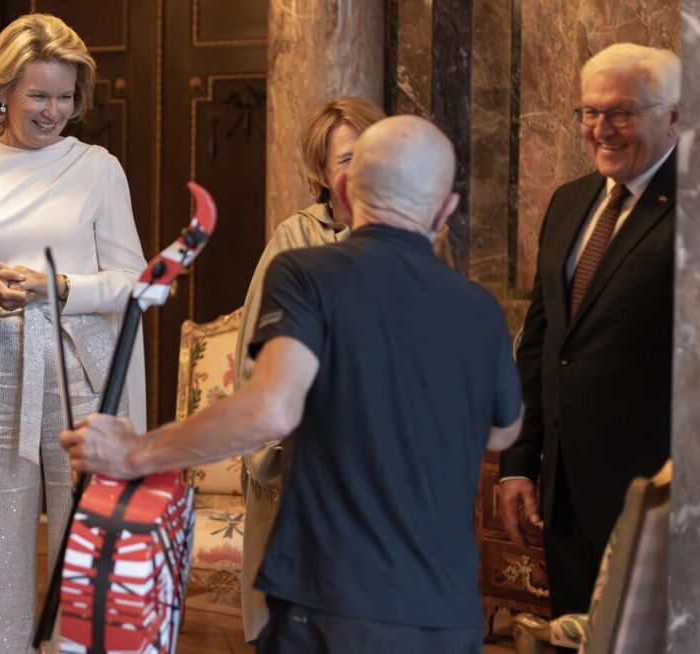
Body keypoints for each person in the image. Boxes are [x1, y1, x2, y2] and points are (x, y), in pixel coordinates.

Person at [62, 115, 524, 653]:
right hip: (446, 611)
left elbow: (270, 410)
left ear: (347, 190)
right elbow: (502, 431)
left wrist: (136, 452)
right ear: (446, 209)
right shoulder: (480, 310)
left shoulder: (309, 273)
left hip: (334, 600)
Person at [0, 13, 147, 653]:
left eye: (65, 96)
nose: (54, 111)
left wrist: (63, 289)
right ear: (3, 93)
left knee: (83, 554)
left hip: (81, 370)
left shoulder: (98, 168)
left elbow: (135, 281)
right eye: (39, 96)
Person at [233, 96, 454, 642]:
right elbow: (257, 358)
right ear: (322, 172)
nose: (359, 172)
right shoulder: (293, 239)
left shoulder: (429, 237)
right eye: (345, 159)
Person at [499, 43, 679, 617]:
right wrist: (520, 463)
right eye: (589, 112)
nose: (602, 128)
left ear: (675, 116)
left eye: (622, 112)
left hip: (658, 501)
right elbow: (542, 347)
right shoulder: (569, 202)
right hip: (566, 497)